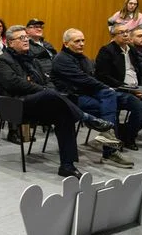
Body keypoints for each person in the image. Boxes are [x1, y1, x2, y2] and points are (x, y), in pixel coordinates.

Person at [0, 25, 114, 178]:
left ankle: (67, 165)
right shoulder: (3, 61)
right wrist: (43, 90)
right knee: (50, 94)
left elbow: (49, 81)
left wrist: (45, 89)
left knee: (64, 116)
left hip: (38, 103)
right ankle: (87, 118)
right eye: (21, 38)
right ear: (10, 43)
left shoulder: (32, 60)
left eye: (26, 37)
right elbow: (14, 83)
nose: (26, 41)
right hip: (16, 105)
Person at [51, 29, 131, 168]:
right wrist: (105, 87)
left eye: (83, 40)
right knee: (109, 106)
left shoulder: (83, 58)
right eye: (77, 41)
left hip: (86, 93)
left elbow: (91, 79)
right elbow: (83, 79)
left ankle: (107, 141)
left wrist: (105, 88)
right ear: (66, 43)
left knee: (110, 98)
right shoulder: (61, 59)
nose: (82, 44)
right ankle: (110, 150)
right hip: (71, 98)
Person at [95, 24, 142, 150]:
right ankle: (130, 137)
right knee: (141, 108)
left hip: (136, 88)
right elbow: (103, 76)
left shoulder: (132, 50)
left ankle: (126, 131)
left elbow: (139, 72)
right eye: (121, 32)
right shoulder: (106, 51)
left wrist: (140, 88)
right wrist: (129, 89)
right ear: (113, 36)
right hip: (118, 90)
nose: (125, 35)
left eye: (127, 32)